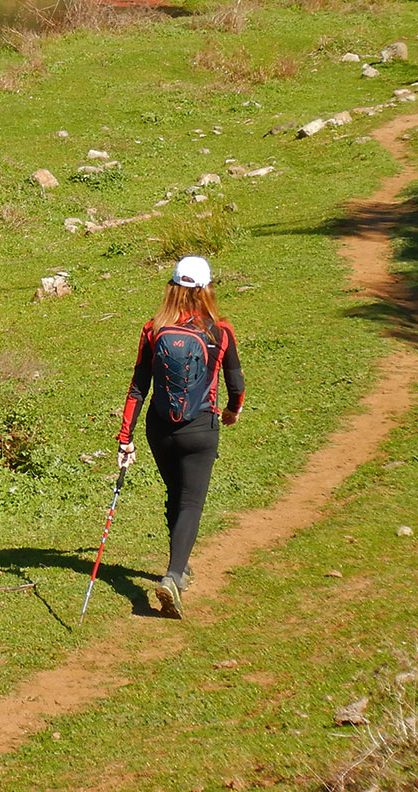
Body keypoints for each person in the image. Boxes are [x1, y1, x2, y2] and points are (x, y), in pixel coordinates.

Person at [115, 254, 244, 619]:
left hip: (159, 429)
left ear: (172, 288)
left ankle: (181, 566)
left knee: (175, 493)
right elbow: (236, 383)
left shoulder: (153, 329)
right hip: (200, 429)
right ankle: (173, 575)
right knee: (191, 501)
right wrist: (233, 410)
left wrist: (125, 438)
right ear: (206, 289)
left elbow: (138, 387)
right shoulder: (220, 331)